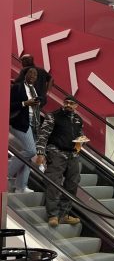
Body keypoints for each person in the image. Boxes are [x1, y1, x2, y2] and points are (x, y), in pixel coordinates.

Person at [34, 95, 84, 227]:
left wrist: (81, 143)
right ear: (63, 102)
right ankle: (53, 215)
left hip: (73, 155)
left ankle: (63, 214)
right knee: (54, 183)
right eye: (66, 102)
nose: (68, 105)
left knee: (72, 185)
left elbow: (80, 135)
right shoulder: (53, 116)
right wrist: (40, 152)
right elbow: (43, 135)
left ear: (76, 106)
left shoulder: (78, 120)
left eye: (71, 103)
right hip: (56, 152)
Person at [8, 67, 41, 193]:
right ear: (25, 74)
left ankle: (21, 187)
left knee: (28, 156)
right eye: (30, 73)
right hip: (20, 123)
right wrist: (24, 103)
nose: (33, 75)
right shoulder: (17, 87)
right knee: (30, 151)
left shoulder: (34, 90)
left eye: (35, 74)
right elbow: (8, 105)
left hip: (32, 124)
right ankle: (8, 171)